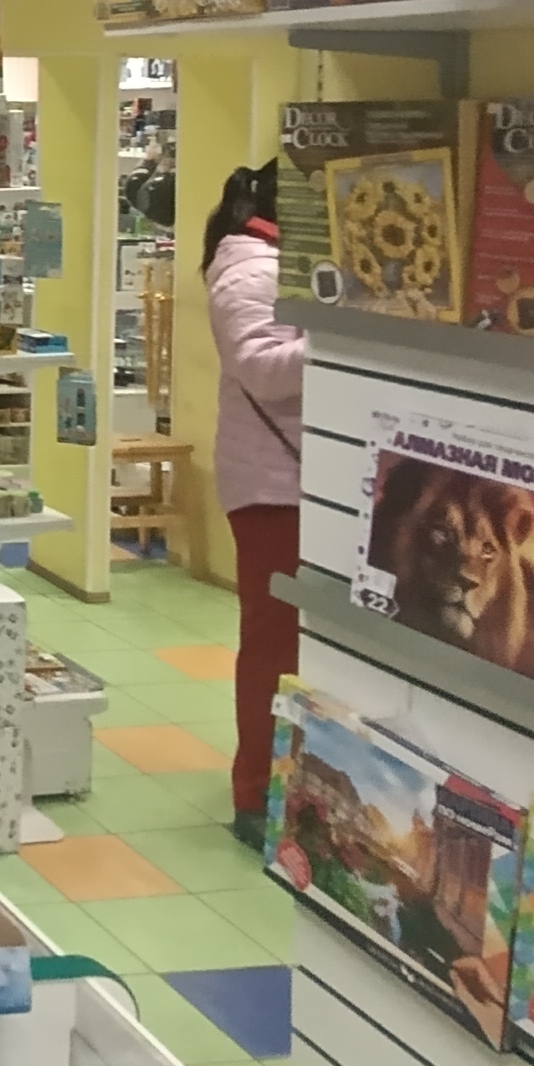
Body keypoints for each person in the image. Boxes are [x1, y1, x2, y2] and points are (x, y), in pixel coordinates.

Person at [202, 159, 304, 850]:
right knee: (275, 644)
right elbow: (262, 369)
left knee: (288, 642)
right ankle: (257, 795)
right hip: (274, 486)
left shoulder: (270, 264)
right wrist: (350, 338)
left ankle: (289, 784)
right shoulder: (251, 271)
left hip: (297, 479)